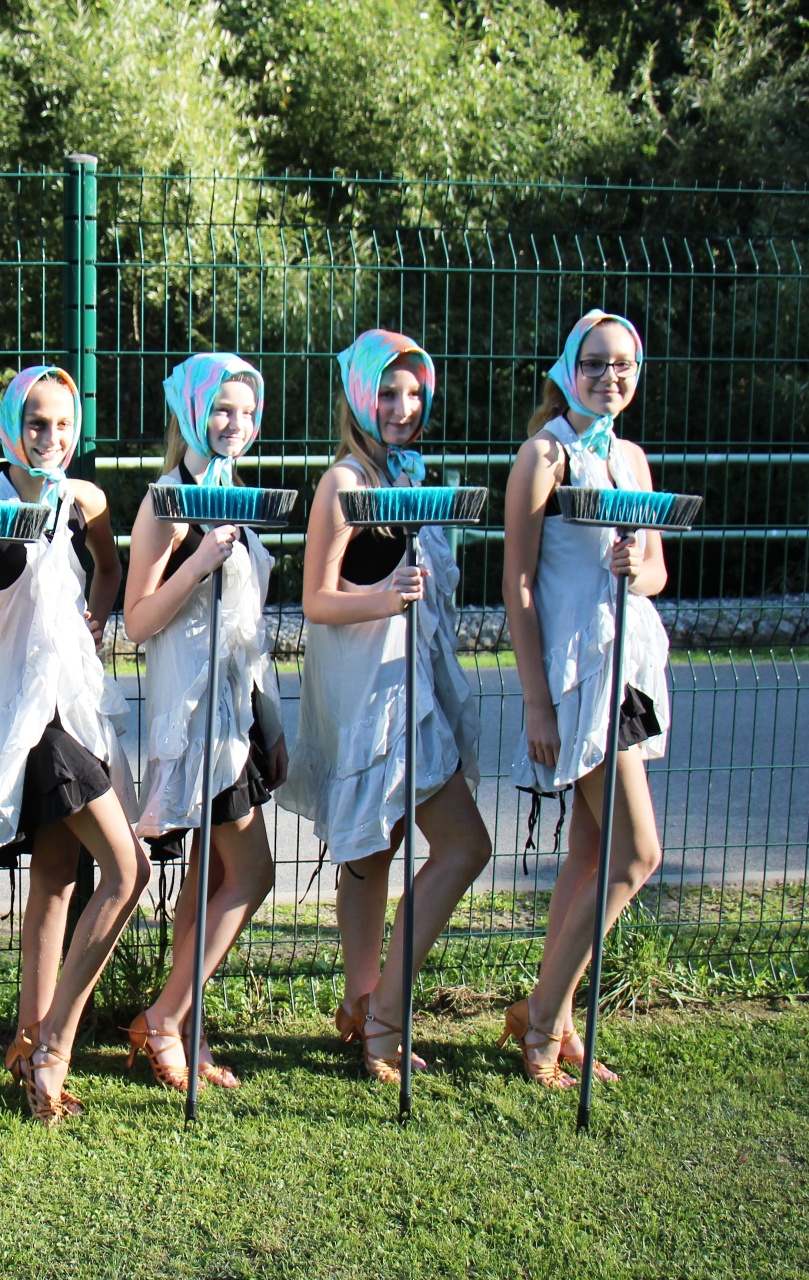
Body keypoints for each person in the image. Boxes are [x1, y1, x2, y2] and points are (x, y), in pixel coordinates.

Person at [0, 365, 150, 1125]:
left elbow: (109, 568)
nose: (50, 437)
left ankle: (29, 1041)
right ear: (10, 426)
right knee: (127, 869)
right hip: (19, 717)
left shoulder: (85, 500)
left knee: (57, 876)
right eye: (35, 423)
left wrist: (97, 615)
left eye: (62, 424)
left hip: (70, 704)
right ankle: (55, 1043)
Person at [281, 330, 490, 1082]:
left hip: (411, 684)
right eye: (387, 392)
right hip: (370, 694)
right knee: (463, 847)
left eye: (413, 393)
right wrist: (385, 596)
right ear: (358, 397)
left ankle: (360, 1002)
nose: (402, 407)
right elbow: (316, 600)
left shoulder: (412, 475)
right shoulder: (344, 481)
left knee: (375, 850)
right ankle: (385, 1019)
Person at [501, 309, 670, 1089]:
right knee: (639, 854)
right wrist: (537, 703)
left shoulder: (631, 459)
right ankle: (541, 1020)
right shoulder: (545, 454)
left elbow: (657, 572)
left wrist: (639, 568)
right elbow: (519, 582)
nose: (609, 376)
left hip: (626, 668)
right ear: (569, 368)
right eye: (595, 362)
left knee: (594, 854)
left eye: (622, 364)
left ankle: (555, 1017)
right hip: (575, 681)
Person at [119, 352, 286, 1091]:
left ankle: (184, 1029)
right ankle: (162, 1018)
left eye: (247, 412)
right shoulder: (166, 501)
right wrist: (195, 565)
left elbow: (247, 621)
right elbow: (135, 621)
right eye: (221, 409)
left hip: (237, 710)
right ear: (190, 413)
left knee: (207, 878)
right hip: (195, 719)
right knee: (253, 873)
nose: (235, 424)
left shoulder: (238, 495)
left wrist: (268, 719)